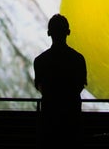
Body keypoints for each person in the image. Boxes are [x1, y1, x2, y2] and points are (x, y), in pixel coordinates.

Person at [34, 14, 87, 148]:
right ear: (68, 32)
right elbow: (80, 85)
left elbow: (40, 86)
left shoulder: (40, 61)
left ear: (48, 33)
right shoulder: (78, 59)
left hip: (49, 121)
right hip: (72, 121)